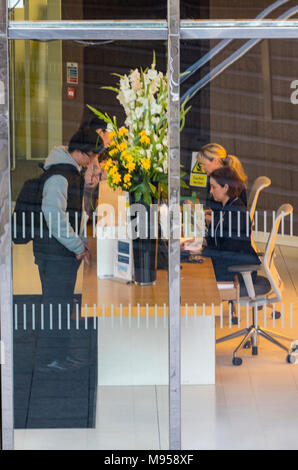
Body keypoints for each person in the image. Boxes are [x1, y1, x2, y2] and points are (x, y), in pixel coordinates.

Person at [33, 127, 103, 372]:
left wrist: (80, 241)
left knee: (61, 304)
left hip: (60, 252)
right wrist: (76, 245)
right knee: (56, 305)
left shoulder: (69, 171)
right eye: (92, 156)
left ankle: (61, 355)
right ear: (81, 152)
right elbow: (54, 216)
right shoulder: (59, 176)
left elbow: (73, 213)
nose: (92, 162)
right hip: (53, 254)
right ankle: (49, 360)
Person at [200, 166, 260, 284]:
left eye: (214, 187)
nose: (210, 191)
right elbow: (218, 240)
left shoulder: (236, 213)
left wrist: (201, 252)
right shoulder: (226, 207)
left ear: (226, 187)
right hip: (228, 263)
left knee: (196, 273)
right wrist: (199, 242)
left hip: (237, 271)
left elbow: (228, 251)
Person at [197, 143, 248, 211]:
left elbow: (226, 216)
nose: (202, 167)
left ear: (215, 161)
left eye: (204, 164)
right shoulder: (221, 178)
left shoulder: (226, 181)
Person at [79, 116, 112, 218]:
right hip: (84, 213)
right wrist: (105, 171)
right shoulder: (89, 152)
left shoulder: (98, 151)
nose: (111, 139)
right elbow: (90, 183)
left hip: (89, 212)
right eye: (110, 133)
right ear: (100, 132)